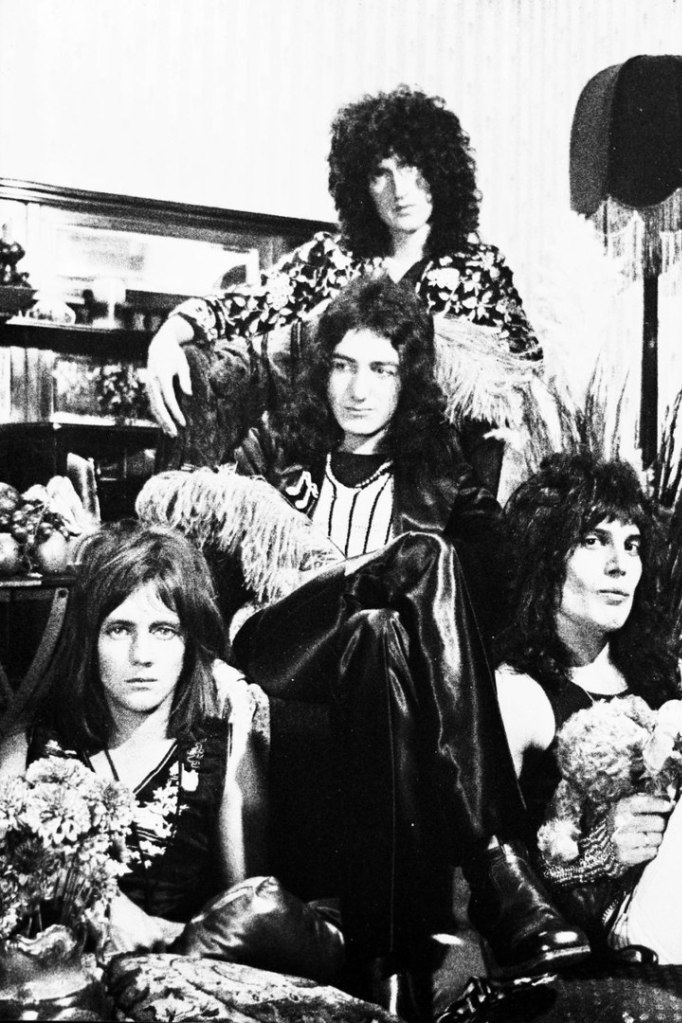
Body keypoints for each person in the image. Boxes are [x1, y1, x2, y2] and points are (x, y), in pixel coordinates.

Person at [137, 276, 590, 993]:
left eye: (381, 369)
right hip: (278, 647)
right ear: (321, 372)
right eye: (343, 365)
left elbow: (496, 594)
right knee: (422, 558)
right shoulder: (270, 448)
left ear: (407, 382)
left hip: (369, 669)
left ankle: (390, 970)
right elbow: (205, 571)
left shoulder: (441, 478)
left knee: (379, 632)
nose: (357, 388)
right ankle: (495, 861)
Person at [145, 84, 541, 494]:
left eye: (412, 167)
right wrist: (168, 337)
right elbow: (245, 305)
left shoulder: (479, 270)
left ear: (441, 171)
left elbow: (526, 378)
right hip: (326, 474)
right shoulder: (330, 258)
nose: (400, 190)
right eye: (381, 174)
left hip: (429, 484)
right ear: (360, 185)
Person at [0, 522, 345, 983]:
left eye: (164, 630)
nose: (141, 654)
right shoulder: (32, 745)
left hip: (177, 980)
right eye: (118, 629)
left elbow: (242, 919)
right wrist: (97, 900)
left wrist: (163, 938)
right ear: (88, 640)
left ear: (189, 644)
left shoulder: (223, 750)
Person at [495, 451, 682, 967]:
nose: (620, 565)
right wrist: (593, 854)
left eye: (631, 545)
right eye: (593, 540)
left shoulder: (662, 671)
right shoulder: (521, 692)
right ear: (544, 555)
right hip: (623, 931)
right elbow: (491, 876)